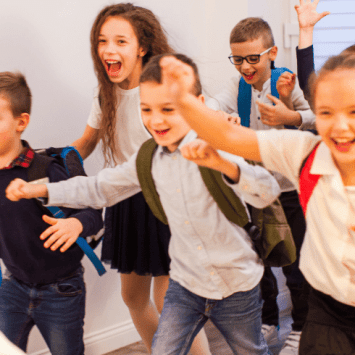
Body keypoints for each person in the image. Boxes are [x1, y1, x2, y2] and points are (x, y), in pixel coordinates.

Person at [5, 53, 282, 355]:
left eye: (168, 108)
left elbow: (267, 190)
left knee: (251, 350)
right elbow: (100, 187)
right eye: (146, 109)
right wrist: (40, 191)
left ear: (198, 104)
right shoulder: (149, 157)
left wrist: (226, 166)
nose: (156, 119)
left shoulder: (219, 145)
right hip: (186, 285)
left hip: (235, 284)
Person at [158, 51, 355, 355]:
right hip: (327, 313)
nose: (340, 127)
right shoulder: (305, 152)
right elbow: (227, 135)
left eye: (353, 112)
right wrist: (180, 98)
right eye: (327, 113)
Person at [71, 4, 210, 353]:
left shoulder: (161, 89)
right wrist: (48, 163)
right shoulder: (105, 92)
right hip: (126, 202)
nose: (108, 49)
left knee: (171, 303)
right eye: (102, 41)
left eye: (120, 40)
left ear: (141, 47)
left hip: (167, 201)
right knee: (133, 297)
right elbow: (86, 142)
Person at [206, 16, 314, 354]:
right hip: (254, 192)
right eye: (238, 59)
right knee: (261, 262)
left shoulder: (287, 82)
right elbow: (212, 106)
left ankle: (299, 327)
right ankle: (268, 320)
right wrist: (212, 116)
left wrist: (290, 116)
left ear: (271, 53)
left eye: (253, 58)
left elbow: (316, 118)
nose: (245, 66)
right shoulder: (236, 87)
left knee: (296, 265)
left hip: (290, 192)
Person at [0, 71, 103, 355]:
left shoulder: (45, 170)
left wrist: (76, 225)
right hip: (12, 287)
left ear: (21, 122)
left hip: (61, 292)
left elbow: (94, 213)